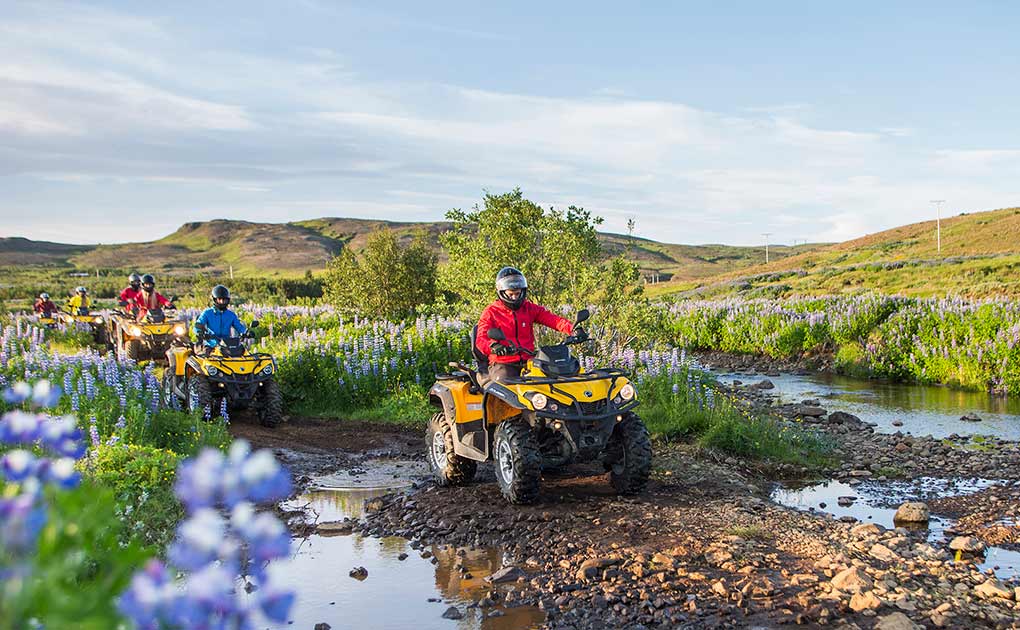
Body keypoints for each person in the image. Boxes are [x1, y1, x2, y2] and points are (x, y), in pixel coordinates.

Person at [475, 267, 574, 383]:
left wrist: (572, 329)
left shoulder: (528, 308)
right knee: (504, 383)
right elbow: (481, 339)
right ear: (502, 292)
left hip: (530, 360)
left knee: (555, 382)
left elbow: (552, 319)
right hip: (503, 363)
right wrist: (493, 346)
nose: (514, 297)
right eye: (511, 294)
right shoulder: (491, 312)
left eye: (517, 294)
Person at [192, 285, 247, 352]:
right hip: (211, 344)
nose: (222, 302)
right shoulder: (207, 313)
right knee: (206, 357)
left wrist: (246, 332)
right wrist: (201, 333)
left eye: (224, 300)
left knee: (243, 354)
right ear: (215, 299)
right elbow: (197, 325)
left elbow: (239, 327)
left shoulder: (231, 315)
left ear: (228, 300)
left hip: (228, 345)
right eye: (219, 299)